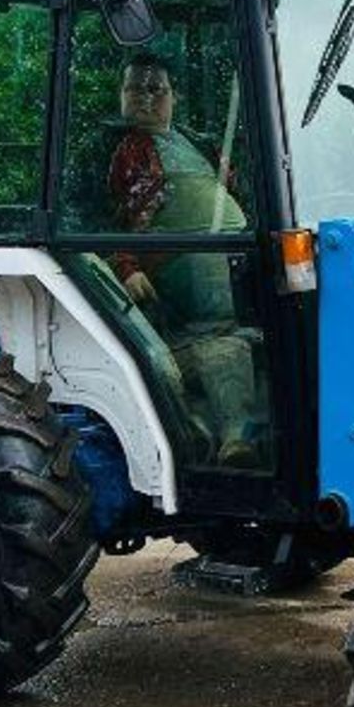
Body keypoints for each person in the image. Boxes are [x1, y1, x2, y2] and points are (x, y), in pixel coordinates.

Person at [107, 52, 260, 468]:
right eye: (135, 87)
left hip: (228, 262)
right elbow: (118, 216)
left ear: (173, 97)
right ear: (121, 96)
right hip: (180, 274)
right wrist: (128, 266)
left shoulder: (196, 143)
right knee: (225, 349)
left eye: (156, 88)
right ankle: (233, 440)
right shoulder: (126, 151)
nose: (145, 97)